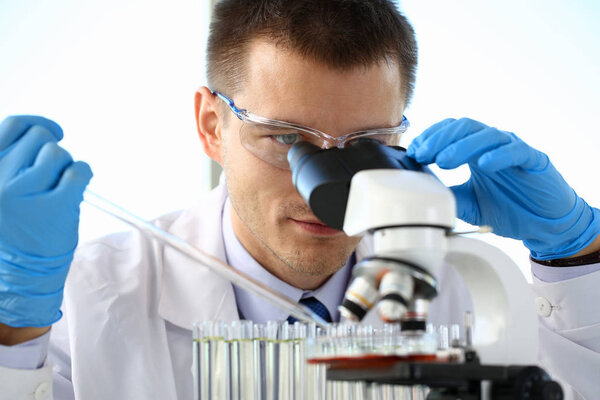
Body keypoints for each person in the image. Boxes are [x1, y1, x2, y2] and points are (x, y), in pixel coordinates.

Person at [0, 1, 599, 399]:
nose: (329, 189)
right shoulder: (90, 298)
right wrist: (14, 329)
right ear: (213, 126)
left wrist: (576, 254)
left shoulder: (464, 289)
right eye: (287, 139)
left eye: (366, 144)